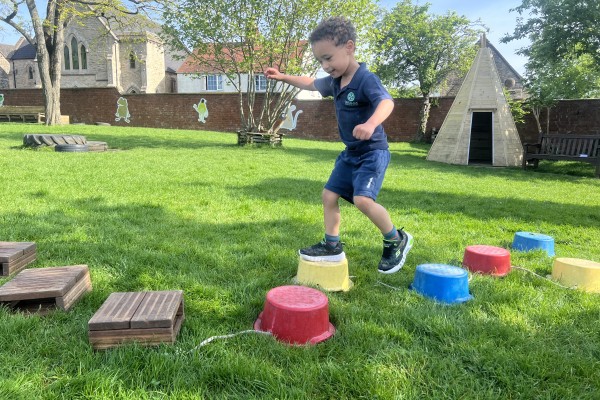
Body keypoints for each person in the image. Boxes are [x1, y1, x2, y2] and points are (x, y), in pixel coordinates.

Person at [264, 17, 413, 274]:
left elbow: (386, 103)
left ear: (349, 47)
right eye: (320, 60)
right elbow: (310, 83)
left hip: (372, 152)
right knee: (329, 196)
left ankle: (395, 239)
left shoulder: (365, 79)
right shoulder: (335, 81)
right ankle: (331, 244)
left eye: (328, 58)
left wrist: (370, 123)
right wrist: (282, 76)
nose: (324, 66)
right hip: (350, 153)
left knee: (363, 201)